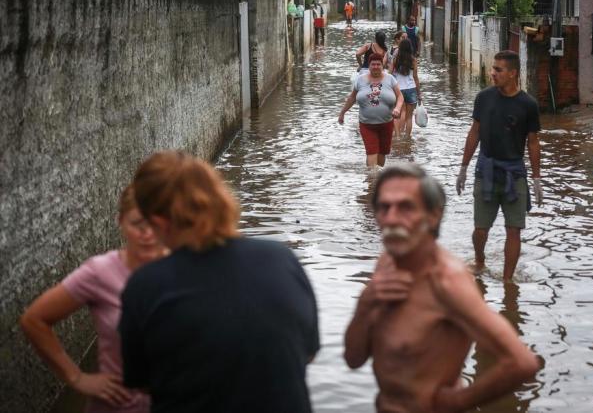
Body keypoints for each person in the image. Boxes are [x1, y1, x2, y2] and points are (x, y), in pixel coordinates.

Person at [119, 151, 319, 413]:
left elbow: (141, 381)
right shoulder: (281, 259)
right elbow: (308, 352)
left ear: (158, 221)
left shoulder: (146, 284)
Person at [344, 163, 540, 412]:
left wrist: (459, 401)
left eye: (405, 207)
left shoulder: (448, 283)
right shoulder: (388, 263)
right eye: (384, 207)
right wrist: (365, 303)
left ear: (433, 215)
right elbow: (354, 359)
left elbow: (522, 362)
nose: (391, 218)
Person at [20, 185, 167, 413]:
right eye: (138, 224)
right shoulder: (101, 272)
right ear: (120, 222)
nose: (147, 233)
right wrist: (77, 378)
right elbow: (34, 320)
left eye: (155, 223)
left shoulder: (187, 267)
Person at [456, 50, 543, 281]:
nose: (492, 73)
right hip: (485, 171)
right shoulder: (483, 98)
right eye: (493, 68)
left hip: (515, 174)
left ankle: (507, 281)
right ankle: (480, 260)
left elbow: (533, 143)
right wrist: (463, 168)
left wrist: (536, 179)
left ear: (513, 73)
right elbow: (474, 132)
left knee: (514, 229)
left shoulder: (528, 104)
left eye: (498, 69)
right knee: (480, 229)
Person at [338, 54, 404, 168]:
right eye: (373, 64)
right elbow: (352, 98)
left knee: (382, 153)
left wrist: (398, 108)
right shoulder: (360, 80)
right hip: (366, 124)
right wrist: (342, 113)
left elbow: (400, 96)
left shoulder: (390, 79)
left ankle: (378, 180)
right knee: (371, 152)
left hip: (386, 123)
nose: (376, 66)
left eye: (378, 64)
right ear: (369, 66)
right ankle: (371, 180)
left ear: (382, 65)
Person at [390, 39, 421, 137]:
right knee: (409, 117)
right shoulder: (413, 60)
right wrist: (419, 93)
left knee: (397, 114)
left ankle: (398, 136)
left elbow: (389, 74)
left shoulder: (395, 59)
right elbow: (415, 77)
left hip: (398, 90)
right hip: (411, 89)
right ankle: (407, 138)